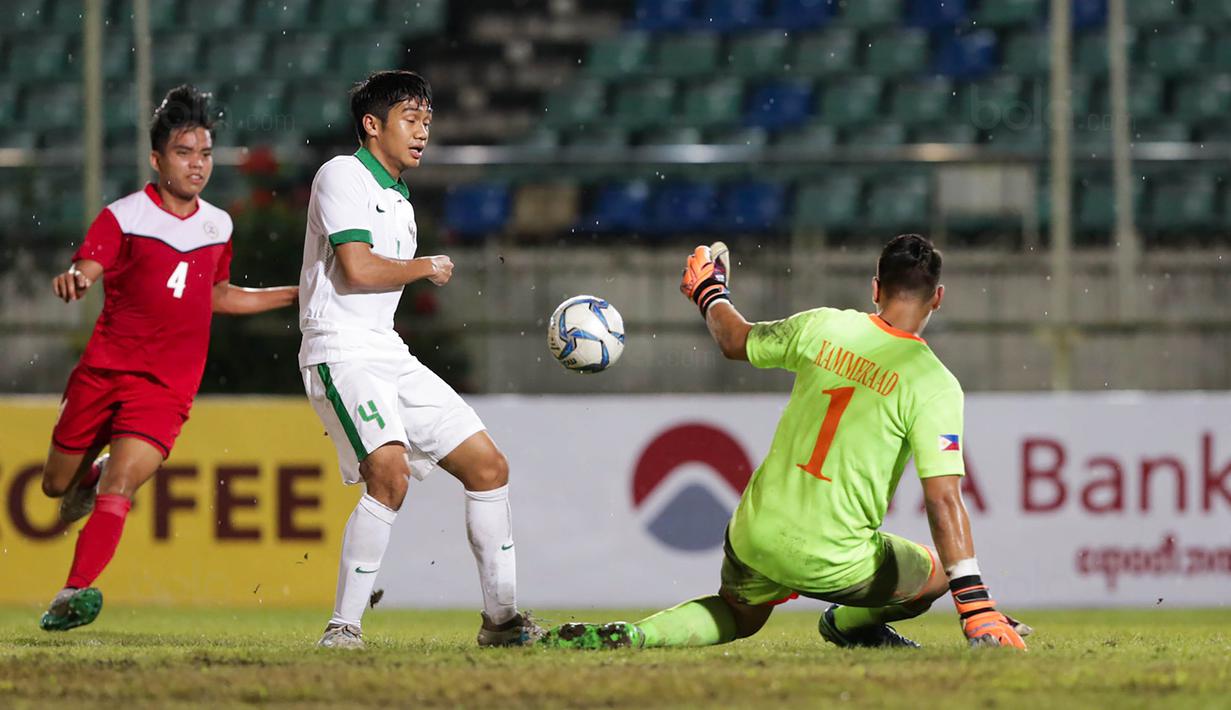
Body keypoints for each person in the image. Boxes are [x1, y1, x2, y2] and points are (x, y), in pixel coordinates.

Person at [544, 235, 1029, 651]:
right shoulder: (934, 384)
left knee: (740, 615)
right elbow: (943, 499)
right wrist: (977, 608)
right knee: (937, 574)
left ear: (875, 288)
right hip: (835, 558)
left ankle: (636, 636)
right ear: (937, 298)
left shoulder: (823, 326)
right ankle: (848, 626)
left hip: (755, 534)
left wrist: (710, 293)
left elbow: (735, 339)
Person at [39, 85, 297, 631]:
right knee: (56, 486)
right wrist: (76, 279)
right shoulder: (123, 216)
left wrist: (294, 295)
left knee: (121, 487)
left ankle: (71, 592)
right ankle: (87, 477)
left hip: (165, 387)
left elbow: (216, 294)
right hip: (103, 373)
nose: (197, 164)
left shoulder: (218, 225)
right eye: (184, 153)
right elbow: (89, 267)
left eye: (205, 153)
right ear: (157, 160)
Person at [297, 70, 540, 649]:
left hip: (384, 348)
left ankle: (501, 621)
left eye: (427, 121)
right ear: (372, 124)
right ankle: (343, 627)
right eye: (410, 119)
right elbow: (357, 268)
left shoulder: (400, 200)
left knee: (488, 467)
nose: (423, 132)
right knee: (389, 473)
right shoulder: (342, 174)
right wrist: (424, 266)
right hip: (340, 348)